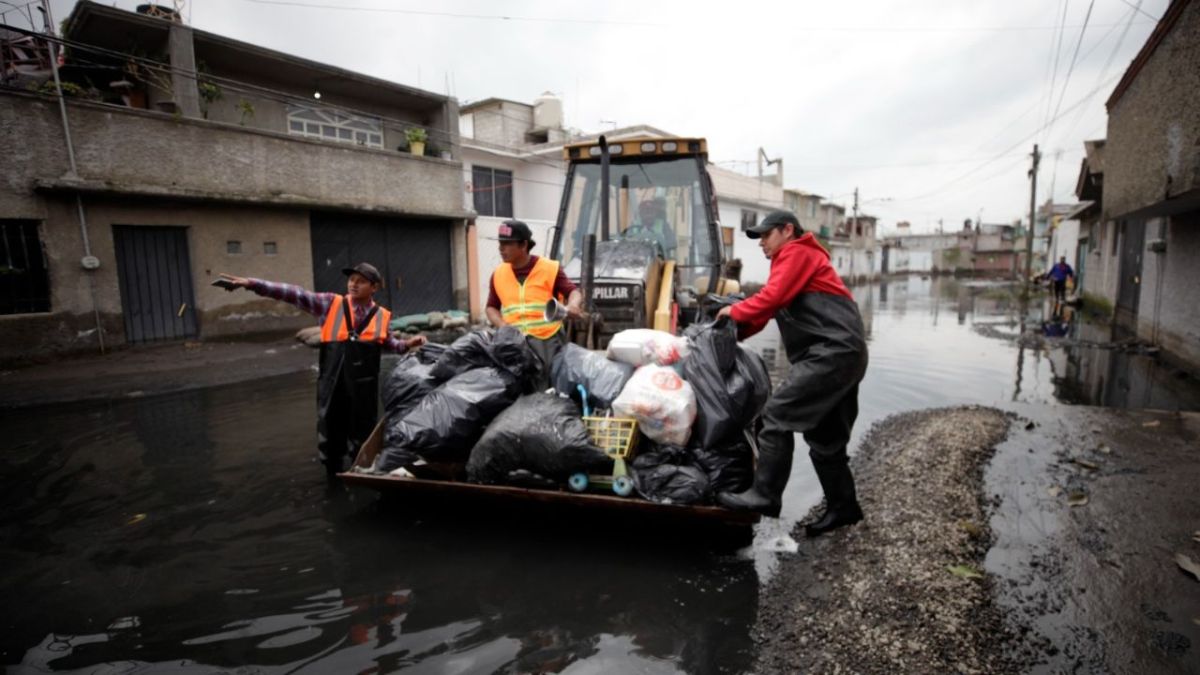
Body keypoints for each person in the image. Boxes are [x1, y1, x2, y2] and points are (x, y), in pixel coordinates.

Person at [715, 210, 868, 537]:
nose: (762, 244)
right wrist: (735, 331)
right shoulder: (796, 260)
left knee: (775, 416)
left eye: (766, 235)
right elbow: (771, 308)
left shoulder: (798, 252)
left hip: (832, 353)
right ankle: (844, 509)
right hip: (845, 354)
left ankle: (765, 495)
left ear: (787, 230)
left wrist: (734, 310)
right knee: (826, 440)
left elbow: (772, 297)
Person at [219, 263, 426, 476]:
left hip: (363, 388)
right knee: (330, 431)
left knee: (363, 433)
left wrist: (409, 344)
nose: (353, 284)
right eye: (351, 279)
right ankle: (333, 475)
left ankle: (362, 473)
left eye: (361, 281)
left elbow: (390, 344)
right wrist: (252, 284)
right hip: (332, 382)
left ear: (374, 287)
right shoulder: (330, 303)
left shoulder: (382, 315)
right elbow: (293, 293)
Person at [485, 219, 584, 389]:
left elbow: (573, 291)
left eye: (507, 244)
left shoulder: (549, 269)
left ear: (523, 245)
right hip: (515, 343)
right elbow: (491, 307)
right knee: (519, 388)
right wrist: (502, 325)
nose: (501, 248)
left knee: (548, 387)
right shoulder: (498, 274)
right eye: (500, 243)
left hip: (547, 341)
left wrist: (573, 304)